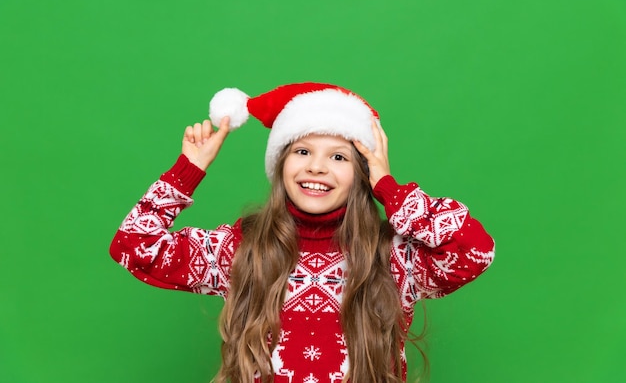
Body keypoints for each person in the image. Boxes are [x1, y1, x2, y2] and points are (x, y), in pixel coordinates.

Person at [110, 82, 495, 383]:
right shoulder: (241, 248)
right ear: (280, 164)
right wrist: (187, 171)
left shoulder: (395, 258)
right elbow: (134, 245)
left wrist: (389, 189)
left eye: (339, 157)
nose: (318, 167)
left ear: (362, 173)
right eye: (303, 151)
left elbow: (475, 249)